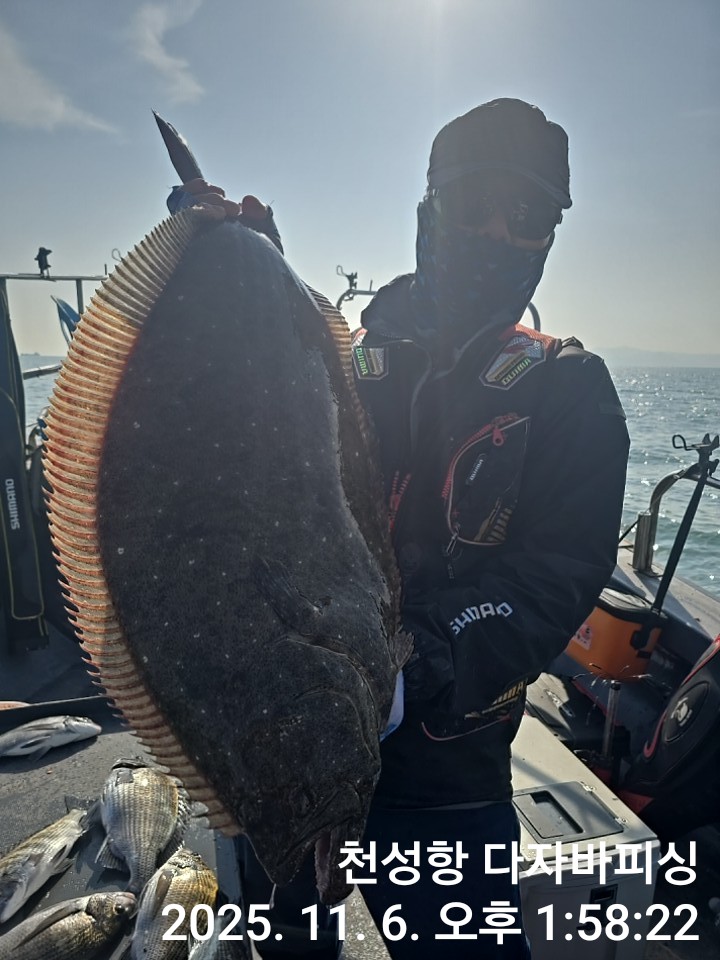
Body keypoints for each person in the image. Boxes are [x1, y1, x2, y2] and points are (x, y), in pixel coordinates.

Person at [168, 97, 630, 958]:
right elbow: (254, 449)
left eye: (527, 216)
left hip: (444, 778)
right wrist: (239, 278)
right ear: (429, 212)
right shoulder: (346, 356)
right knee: (286, 945)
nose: (498, 233)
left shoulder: (569, 391)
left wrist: (414, 668)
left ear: (549, 238)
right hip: (282, 742)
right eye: (474, 203)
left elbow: (556, 578)